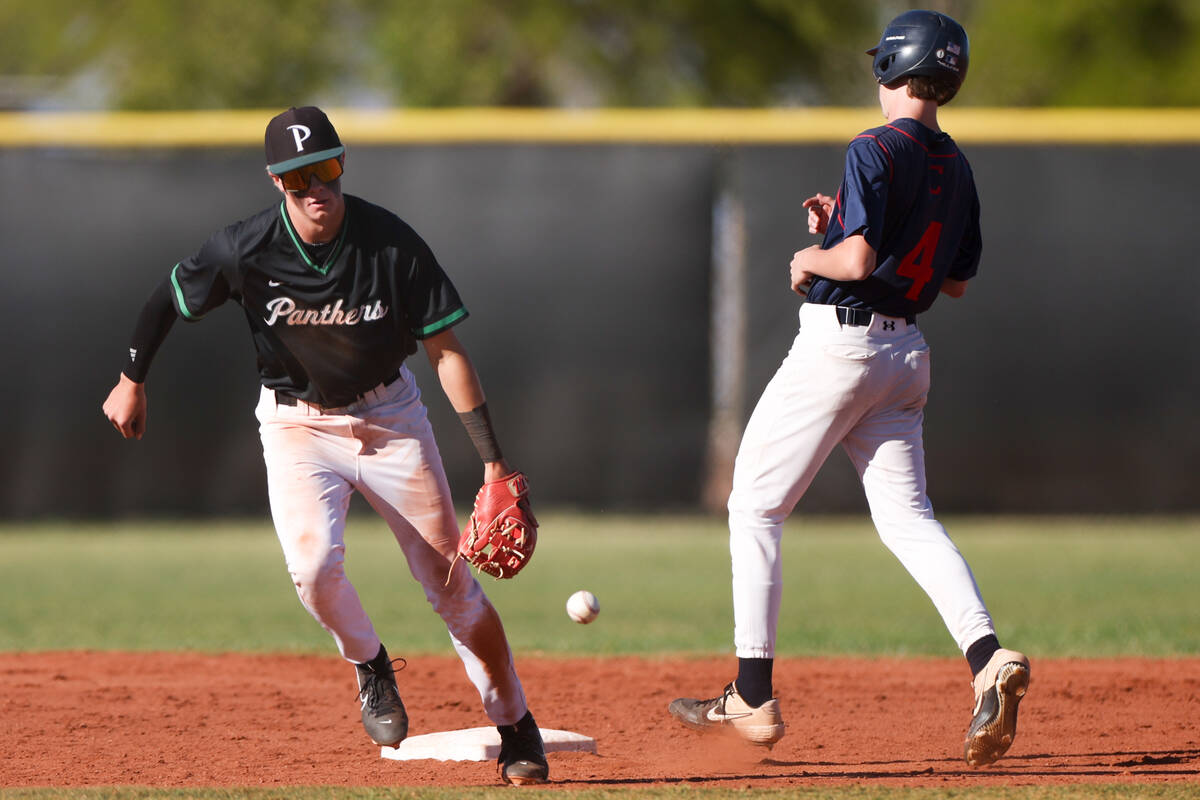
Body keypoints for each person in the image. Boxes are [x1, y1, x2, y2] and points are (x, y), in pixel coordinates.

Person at [102, 106, 549, 785]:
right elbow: (167, 297)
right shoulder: (244, 248)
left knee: (454, 586)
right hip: (295, 424)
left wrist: (493, 459)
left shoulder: (390, 244)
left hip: (389, 419)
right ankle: (370, 665)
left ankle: (516, 725)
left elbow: (445, 349)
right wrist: (132, 378)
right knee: (312, 570)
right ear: (276, 183)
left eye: (329, 169)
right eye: (299, 176)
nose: (319, 187)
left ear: (342, 168)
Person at [668, 10, 1030, 767]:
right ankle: (987, 657)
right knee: (908, 522)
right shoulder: (957, 164)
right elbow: (954, 281)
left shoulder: (873, 146)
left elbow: (858, 262)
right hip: (905, 360)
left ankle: (752, 694)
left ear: (891, 65)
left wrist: (811, 256)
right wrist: (839, 229)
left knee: (755, 506)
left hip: (842, 349)